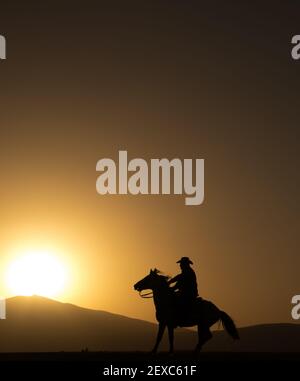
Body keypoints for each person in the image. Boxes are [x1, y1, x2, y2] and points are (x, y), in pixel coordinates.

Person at [168, 257, 199, 324]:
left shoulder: (188, 272)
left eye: (181, 264)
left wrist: (172, 287)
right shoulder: (186, 272)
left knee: (175, 300)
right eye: (180, 264)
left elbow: (180, 282)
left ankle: (178, 318)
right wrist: (170, 281)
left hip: (188, 293)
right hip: (185, 292)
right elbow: (179, 277)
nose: (180, 265)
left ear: (185, 264)